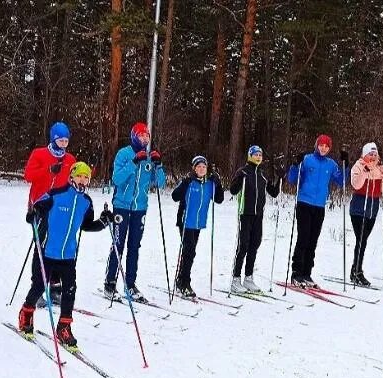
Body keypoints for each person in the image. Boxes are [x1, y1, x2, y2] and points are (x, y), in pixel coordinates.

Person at [17, 162, 114, 347]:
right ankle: (26, 313)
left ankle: (64, 327)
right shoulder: (56, 195)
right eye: (79, 176)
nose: (83, 180)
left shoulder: (86, 202)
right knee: (38, 286)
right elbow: (38, 205)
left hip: (68, 255)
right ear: (71, 177)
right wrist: (34, 213)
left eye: (86, 177)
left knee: (69, 291)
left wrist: (103, 221)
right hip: (47, 250)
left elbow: (86, 226)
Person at [103, 122, 166, 302]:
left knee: (134, 246)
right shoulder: (124, 153)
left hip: (140, 208)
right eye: (141, 135)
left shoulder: (148, 157)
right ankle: (110, 282)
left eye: (147, 136)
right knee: (118, 244)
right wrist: (133, 163)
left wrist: (158, 165)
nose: (144, 139)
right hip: (122, 205)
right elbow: (116, 179)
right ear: (133, 136)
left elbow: (160, 183)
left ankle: (130, 284)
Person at [23, 122, 76, 305]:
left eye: (66, 141)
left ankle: (55, 287)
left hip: (60, 209)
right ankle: (37, 288)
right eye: (60, 140)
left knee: (57, 248)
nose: (63, 144)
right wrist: (48, 170)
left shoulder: (70, 159)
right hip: (40, 205)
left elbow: (74, 180)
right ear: (53, 139)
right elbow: (28, 175)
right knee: (42, 247)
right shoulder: (39, 154)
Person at [286, 134, 348, 288]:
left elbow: (342, 181)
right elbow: (292, 179)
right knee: (303, 238)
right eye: (321, 145)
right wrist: (295, 164)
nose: (323, 148)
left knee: (313, 240)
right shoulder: (307, 160)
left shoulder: (331, 164)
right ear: (316, 145)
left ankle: (307, 273)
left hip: (319, 206)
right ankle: (296, 273)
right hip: (304, 203)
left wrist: (346, 165)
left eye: (326, 146)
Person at [228, 145, 281, 293]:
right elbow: (233, 190)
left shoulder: (262, 174)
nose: (258, 157)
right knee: (243, 246)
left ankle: (248, 278)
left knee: (254, 245)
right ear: (250, 155)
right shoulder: (243, 171)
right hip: (245, 214)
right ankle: (235, 279)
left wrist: (279, 178)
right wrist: (239, 180)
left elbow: (274, 193)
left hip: (258, 216)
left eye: (260, 154)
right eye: (255, 154)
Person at [171, 156, 224, 298]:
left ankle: (180, 280)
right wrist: (184, 184)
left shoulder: (208, 184)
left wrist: (218, 185)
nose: (201, 169)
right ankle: (184, 283)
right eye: (198, 166)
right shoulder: (188, 182)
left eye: (204, 167)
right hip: (186, 222)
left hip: (198, 223)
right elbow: (175, 196)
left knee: (190, 252)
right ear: (194, 168)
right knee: (189, 252)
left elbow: (219, 199)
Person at [348, 142, 383, 286]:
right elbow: (356, 185)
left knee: (363, 240)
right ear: (364, 154)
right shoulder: (358, 166)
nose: (373, 157)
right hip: (359, 208)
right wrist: (365, 172)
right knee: (361, 239)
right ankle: (357, 271)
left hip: (372, 208)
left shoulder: (379, 169)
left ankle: (356, 269)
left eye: (375, 154)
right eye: (370, 154)